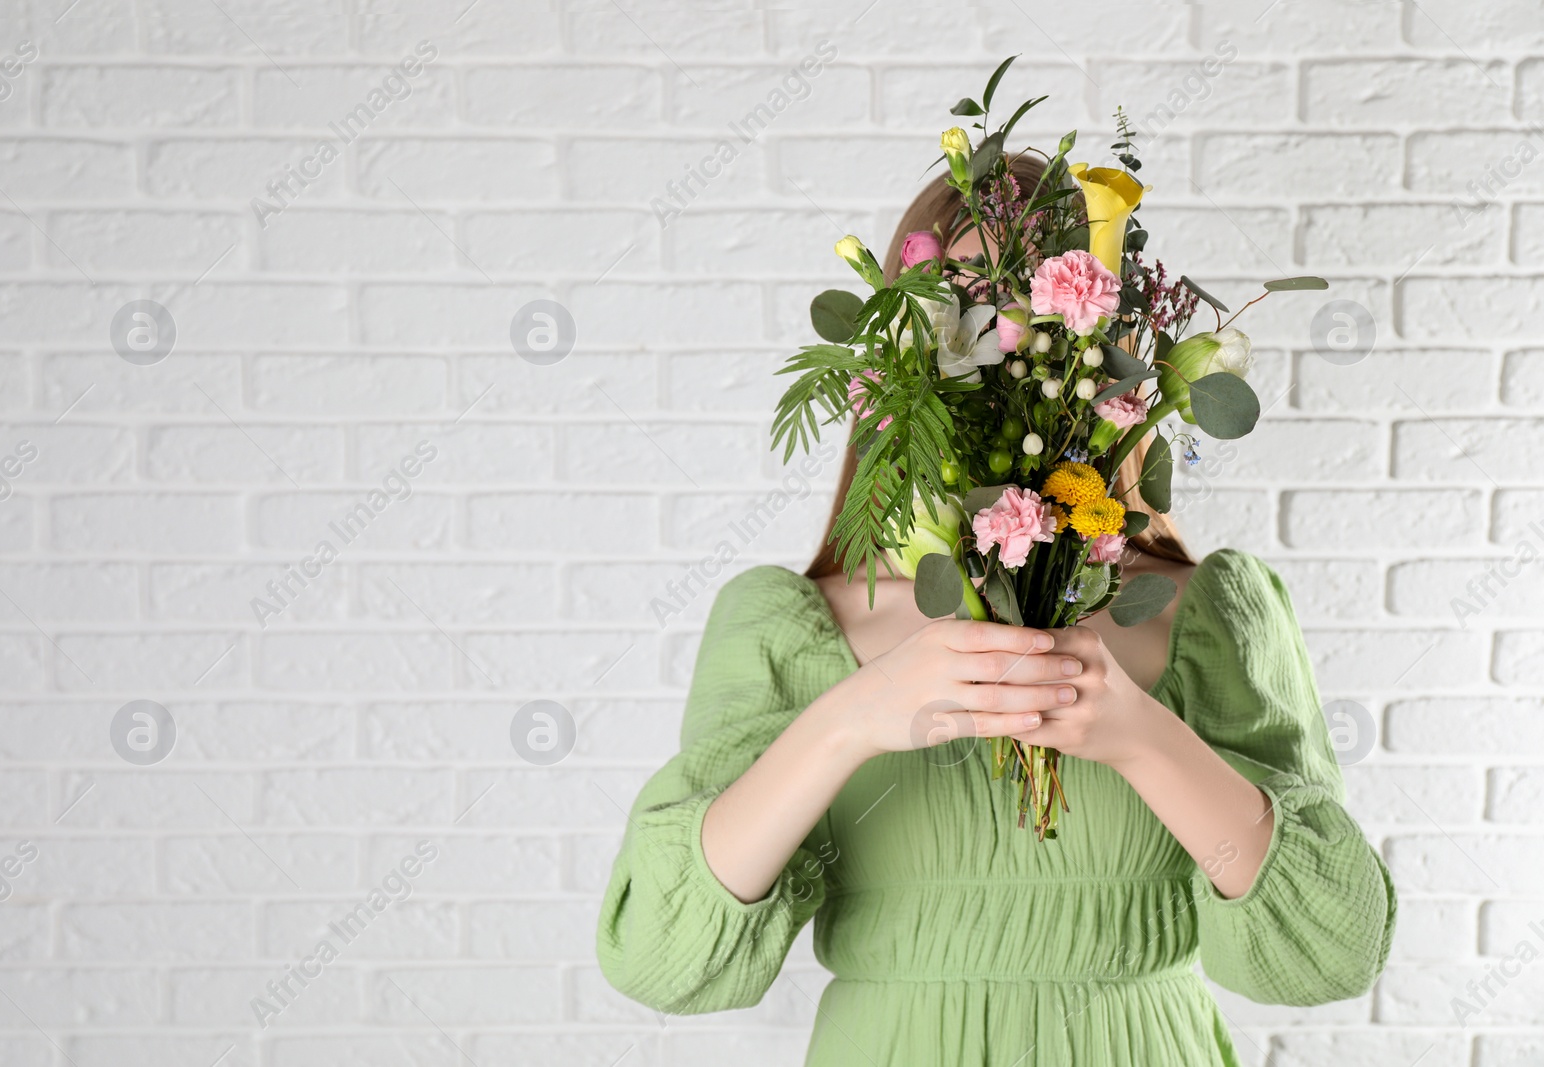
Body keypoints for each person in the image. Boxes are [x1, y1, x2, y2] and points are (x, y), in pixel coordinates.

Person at [596, 154, 1396, 1065]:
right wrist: (852, 718)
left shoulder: (1207, 610)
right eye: (963, 309)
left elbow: (1330, 951)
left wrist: (1136, 732)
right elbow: (664, 963)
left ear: (1103, 348)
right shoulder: (789, 623)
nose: (1001, 343)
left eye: (1039, 309)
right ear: (895, 352)